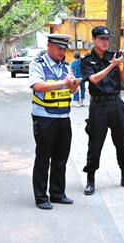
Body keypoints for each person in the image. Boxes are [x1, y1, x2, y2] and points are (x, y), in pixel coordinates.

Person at [80, 26, 124, 195]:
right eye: (101, 39)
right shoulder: (87, 60)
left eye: (107, 39)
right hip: (98, 106)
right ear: (94, 39)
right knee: (95, 143)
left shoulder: (115, 56)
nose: (105, 42)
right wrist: (112, 65)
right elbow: (94, 80)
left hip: (116, 104)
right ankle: (90, 180)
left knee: (122, 141)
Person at [29, 34, 81, 210]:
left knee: (61, 157)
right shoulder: (38, 64)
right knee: (43, 158)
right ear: (49, 45)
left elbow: (72, 90)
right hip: (44, 117)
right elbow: (38, 86)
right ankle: (41, 197)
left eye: (64, 48)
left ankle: (58, 193)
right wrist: (63, 83)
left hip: (63, 117)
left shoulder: (66, 66)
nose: (62, 51)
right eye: (59, 48)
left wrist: (74, 86)